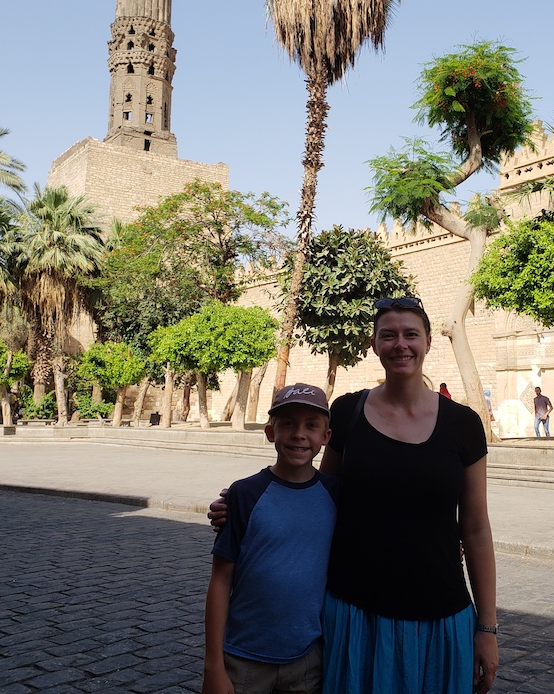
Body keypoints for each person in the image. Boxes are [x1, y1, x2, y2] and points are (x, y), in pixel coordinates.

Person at [210, 297, 499, 694]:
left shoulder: (463, 425)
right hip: (355, 615)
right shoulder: (347, 413)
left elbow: (477, 528)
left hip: (440, 614)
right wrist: (239, 504)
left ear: (429, 342)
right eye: (389, 335)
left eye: (411, 334)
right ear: (374, 344)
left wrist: (486, 627)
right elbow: (315, 493)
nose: (401, 344)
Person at [202, 383, 338, 694]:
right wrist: (213, 665)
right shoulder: (244, 494)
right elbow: (221, 580)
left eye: (311, 425)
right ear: (270, 432)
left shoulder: (335, 495)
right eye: (288, 423)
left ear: (325, 438)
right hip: (243, 659)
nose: (299, 434)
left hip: (307, 660)